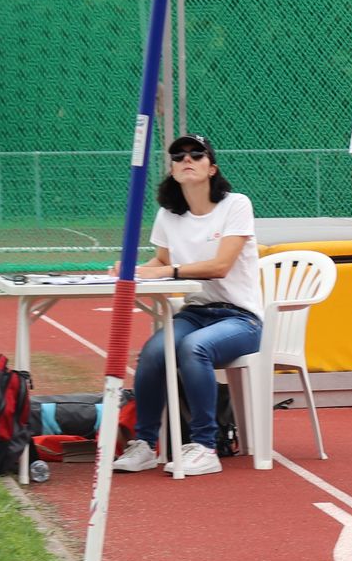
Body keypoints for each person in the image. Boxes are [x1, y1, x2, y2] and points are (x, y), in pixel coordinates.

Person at [109, 134, 264, 479]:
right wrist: (132, 270)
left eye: (197, 154)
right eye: (178, 156)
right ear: (172, 170)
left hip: (241, 318)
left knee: (194, 348)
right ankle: (146, 446)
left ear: (212, 167)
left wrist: (167, 270)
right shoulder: (168, 215)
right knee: (152, 352)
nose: (187, 159)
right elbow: (161, 260)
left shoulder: (236, 204)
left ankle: (205, 446)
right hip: (195, 313)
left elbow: (220, 266)